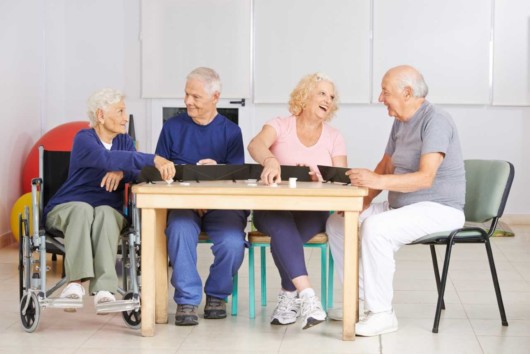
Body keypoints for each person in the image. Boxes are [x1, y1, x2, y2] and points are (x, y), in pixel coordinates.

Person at [326, 65, 466, 336]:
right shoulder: (401, 122)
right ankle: (359, 302)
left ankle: (382, 314)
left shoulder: (436, 120)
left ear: (407, 92)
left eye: (385, 92)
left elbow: (425, 178)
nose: (381, 98)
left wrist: (375, 182)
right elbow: (387, 164)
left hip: (440, 208)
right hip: (402, 205)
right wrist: (364, 200)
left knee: (377, 228)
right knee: (339, 223)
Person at [45, 88, 175, 310]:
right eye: (120, 111)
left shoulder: (124, 142)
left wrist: (122, 172)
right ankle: (75, 284)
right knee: (82, 209)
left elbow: (136, 172)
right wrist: (152, 158)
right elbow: (104, 158)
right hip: (68, 206)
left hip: (107, 208)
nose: (126, 118)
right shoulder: (84, 138)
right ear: (101, 115)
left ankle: (105, 289)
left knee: (105, 212)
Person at [247, 73, 347, 329]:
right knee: (282, 227)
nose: (329, 99)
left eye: (332, 96)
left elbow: (342, 181)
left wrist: (321, 180)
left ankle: (288, 296)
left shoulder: (334, 136)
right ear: (305, 95)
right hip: (272, 208)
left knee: (285, 235)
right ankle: (309, 297)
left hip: (312, 212)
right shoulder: (280, 125)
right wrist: (270, 160)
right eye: (322, 93)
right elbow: (256, 144)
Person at [155, 67, 248, 326]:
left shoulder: (231, 132)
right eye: (186, 95)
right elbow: (159, 173)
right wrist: (190, 198)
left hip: (222, 206)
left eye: (195, 97)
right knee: (179, 230)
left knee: (232, 243)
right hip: (183, 205)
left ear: (215, 96)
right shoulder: (172, 128)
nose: (187, 101)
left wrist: (216, 174)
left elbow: (237, 179)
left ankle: (217, 294)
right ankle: (187, 298)